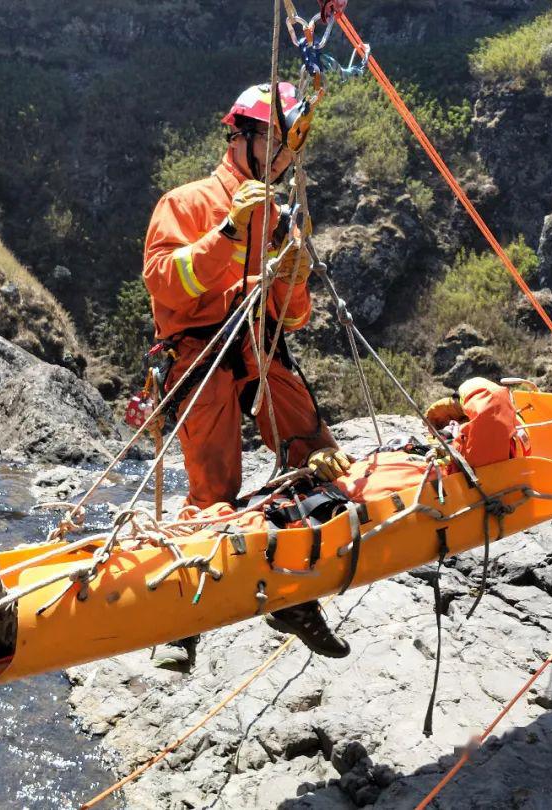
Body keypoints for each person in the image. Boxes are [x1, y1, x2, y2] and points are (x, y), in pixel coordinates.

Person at [142, 82, 354, 666]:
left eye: (290, 149)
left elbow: (295, 317)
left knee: (314, 457)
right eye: (275, 143)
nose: (284, 158)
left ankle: (295, 597)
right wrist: (229, 233)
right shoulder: (186, 204)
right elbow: (166, 283)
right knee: (212, 489)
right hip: (199, 355)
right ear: (241, 138)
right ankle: (180, 623)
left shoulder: (282, 218)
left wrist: (295, 277)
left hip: (259, 345)